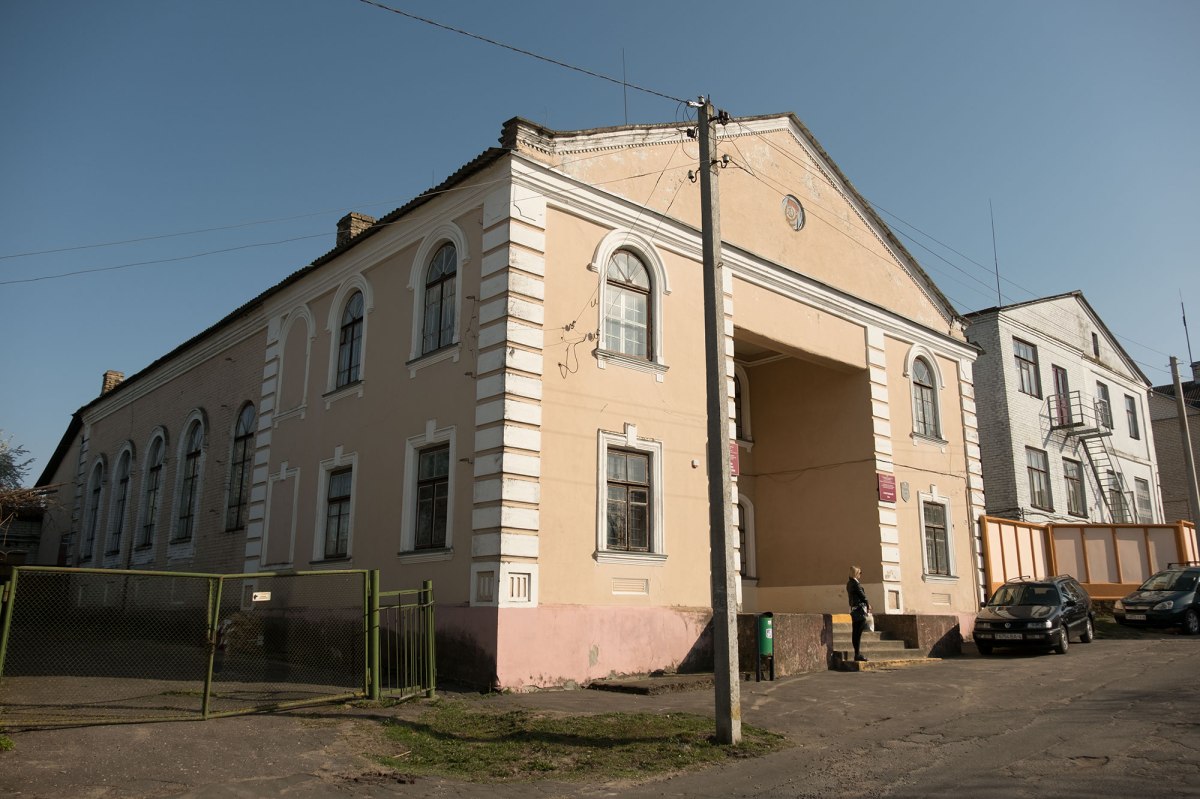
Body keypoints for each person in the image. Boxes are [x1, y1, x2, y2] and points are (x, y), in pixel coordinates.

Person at [846, 566, 871, 662]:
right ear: (856, 573)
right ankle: (857, 654)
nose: (861, 574)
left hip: (854, 610)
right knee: (858, 633)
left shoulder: (849, 583)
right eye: (860, 572)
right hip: (859, 610)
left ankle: (857, 654)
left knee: (855, 632)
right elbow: (862, 595)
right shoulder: (855, 584)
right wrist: (868, 604)